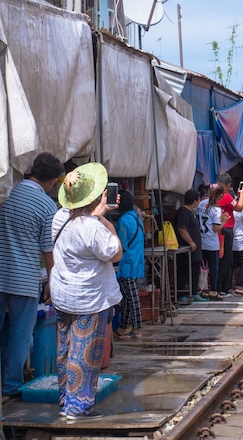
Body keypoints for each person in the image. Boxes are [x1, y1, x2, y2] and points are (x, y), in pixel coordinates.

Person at [49, 162, 123, 420]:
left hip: (63, 294)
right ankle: (78, 407)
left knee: (65, 351)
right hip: (88, 299)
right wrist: (104, 218)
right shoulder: (92, 227)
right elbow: (115, 253)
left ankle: (64, 401)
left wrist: (96, 213)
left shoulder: (59, 217)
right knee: (85, 354)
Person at [0, 152, 64, 399]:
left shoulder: (7, 194)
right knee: (19, 335)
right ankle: (10, 386)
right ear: (52, 181)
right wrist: (52, 283)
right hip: (24, 280)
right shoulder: (47, 205)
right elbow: (49, 253)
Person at [114, 190, 145, 339]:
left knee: (132, 298)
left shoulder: (123, 221)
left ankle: (137, 328)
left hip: (126, 264)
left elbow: (120, 245)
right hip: (136, 262)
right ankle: (123, 327)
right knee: (127, 296)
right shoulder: (136, 217)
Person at [197, 185, 229, 301]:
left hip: (201, 240)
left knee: (201, 267)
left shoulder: (201, 204)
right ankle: (213, 291)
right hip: (211, 242)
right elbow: (216, 228)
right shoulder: (216, 209)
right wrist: (224, 221)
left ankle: (201, 289)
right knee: (213, 268)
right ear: (220, 195)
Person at [175, 189, 205, 305]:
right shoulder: (183, 212)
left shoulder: (192, 212)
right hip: (186, 249)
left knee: (194, 270)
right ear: (195, 201)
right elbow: (182, 228)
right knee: (183, 271)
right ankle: (181, 294)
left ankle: (194, 292)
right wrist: (190, 242)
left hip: (195, 250)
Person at [217, 173, 243, 295]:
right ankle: (224, 288)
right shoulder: (227, 197)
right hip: (226, 230)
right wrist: (242, 195)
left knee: (219, 258)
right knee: (227, 260)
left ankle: (218, 287)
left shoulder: (214, 196)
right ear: (228, 186)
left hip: (216, 230)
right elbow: (239, 208)